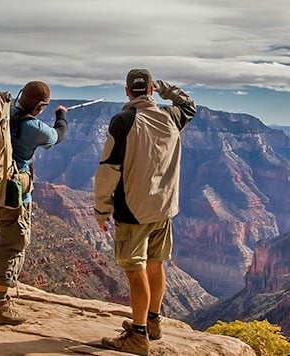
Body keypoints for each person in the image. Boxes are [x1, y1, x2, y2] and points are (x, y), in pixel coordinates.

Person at [94, 69, 196, 355]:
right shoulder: (172, 117)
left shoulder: (123, 121)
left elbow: (108, 169)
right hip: (164, 209)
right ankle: (152, 322)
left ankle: (138, 336)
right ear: (150, 90)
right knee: (156, 263)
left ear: (127, 91)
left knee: (134, 269)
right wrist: (165, 88)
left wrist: (102, 209)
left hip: (132, 209)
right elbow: (189, 104)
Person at [0, 81, 67, 325]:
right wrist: (61, 115)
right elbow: (58, 136)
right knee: (13, 243)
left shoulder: (3, 115)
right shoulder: (33, 127)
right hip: (14, 196)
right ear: (41, 107)